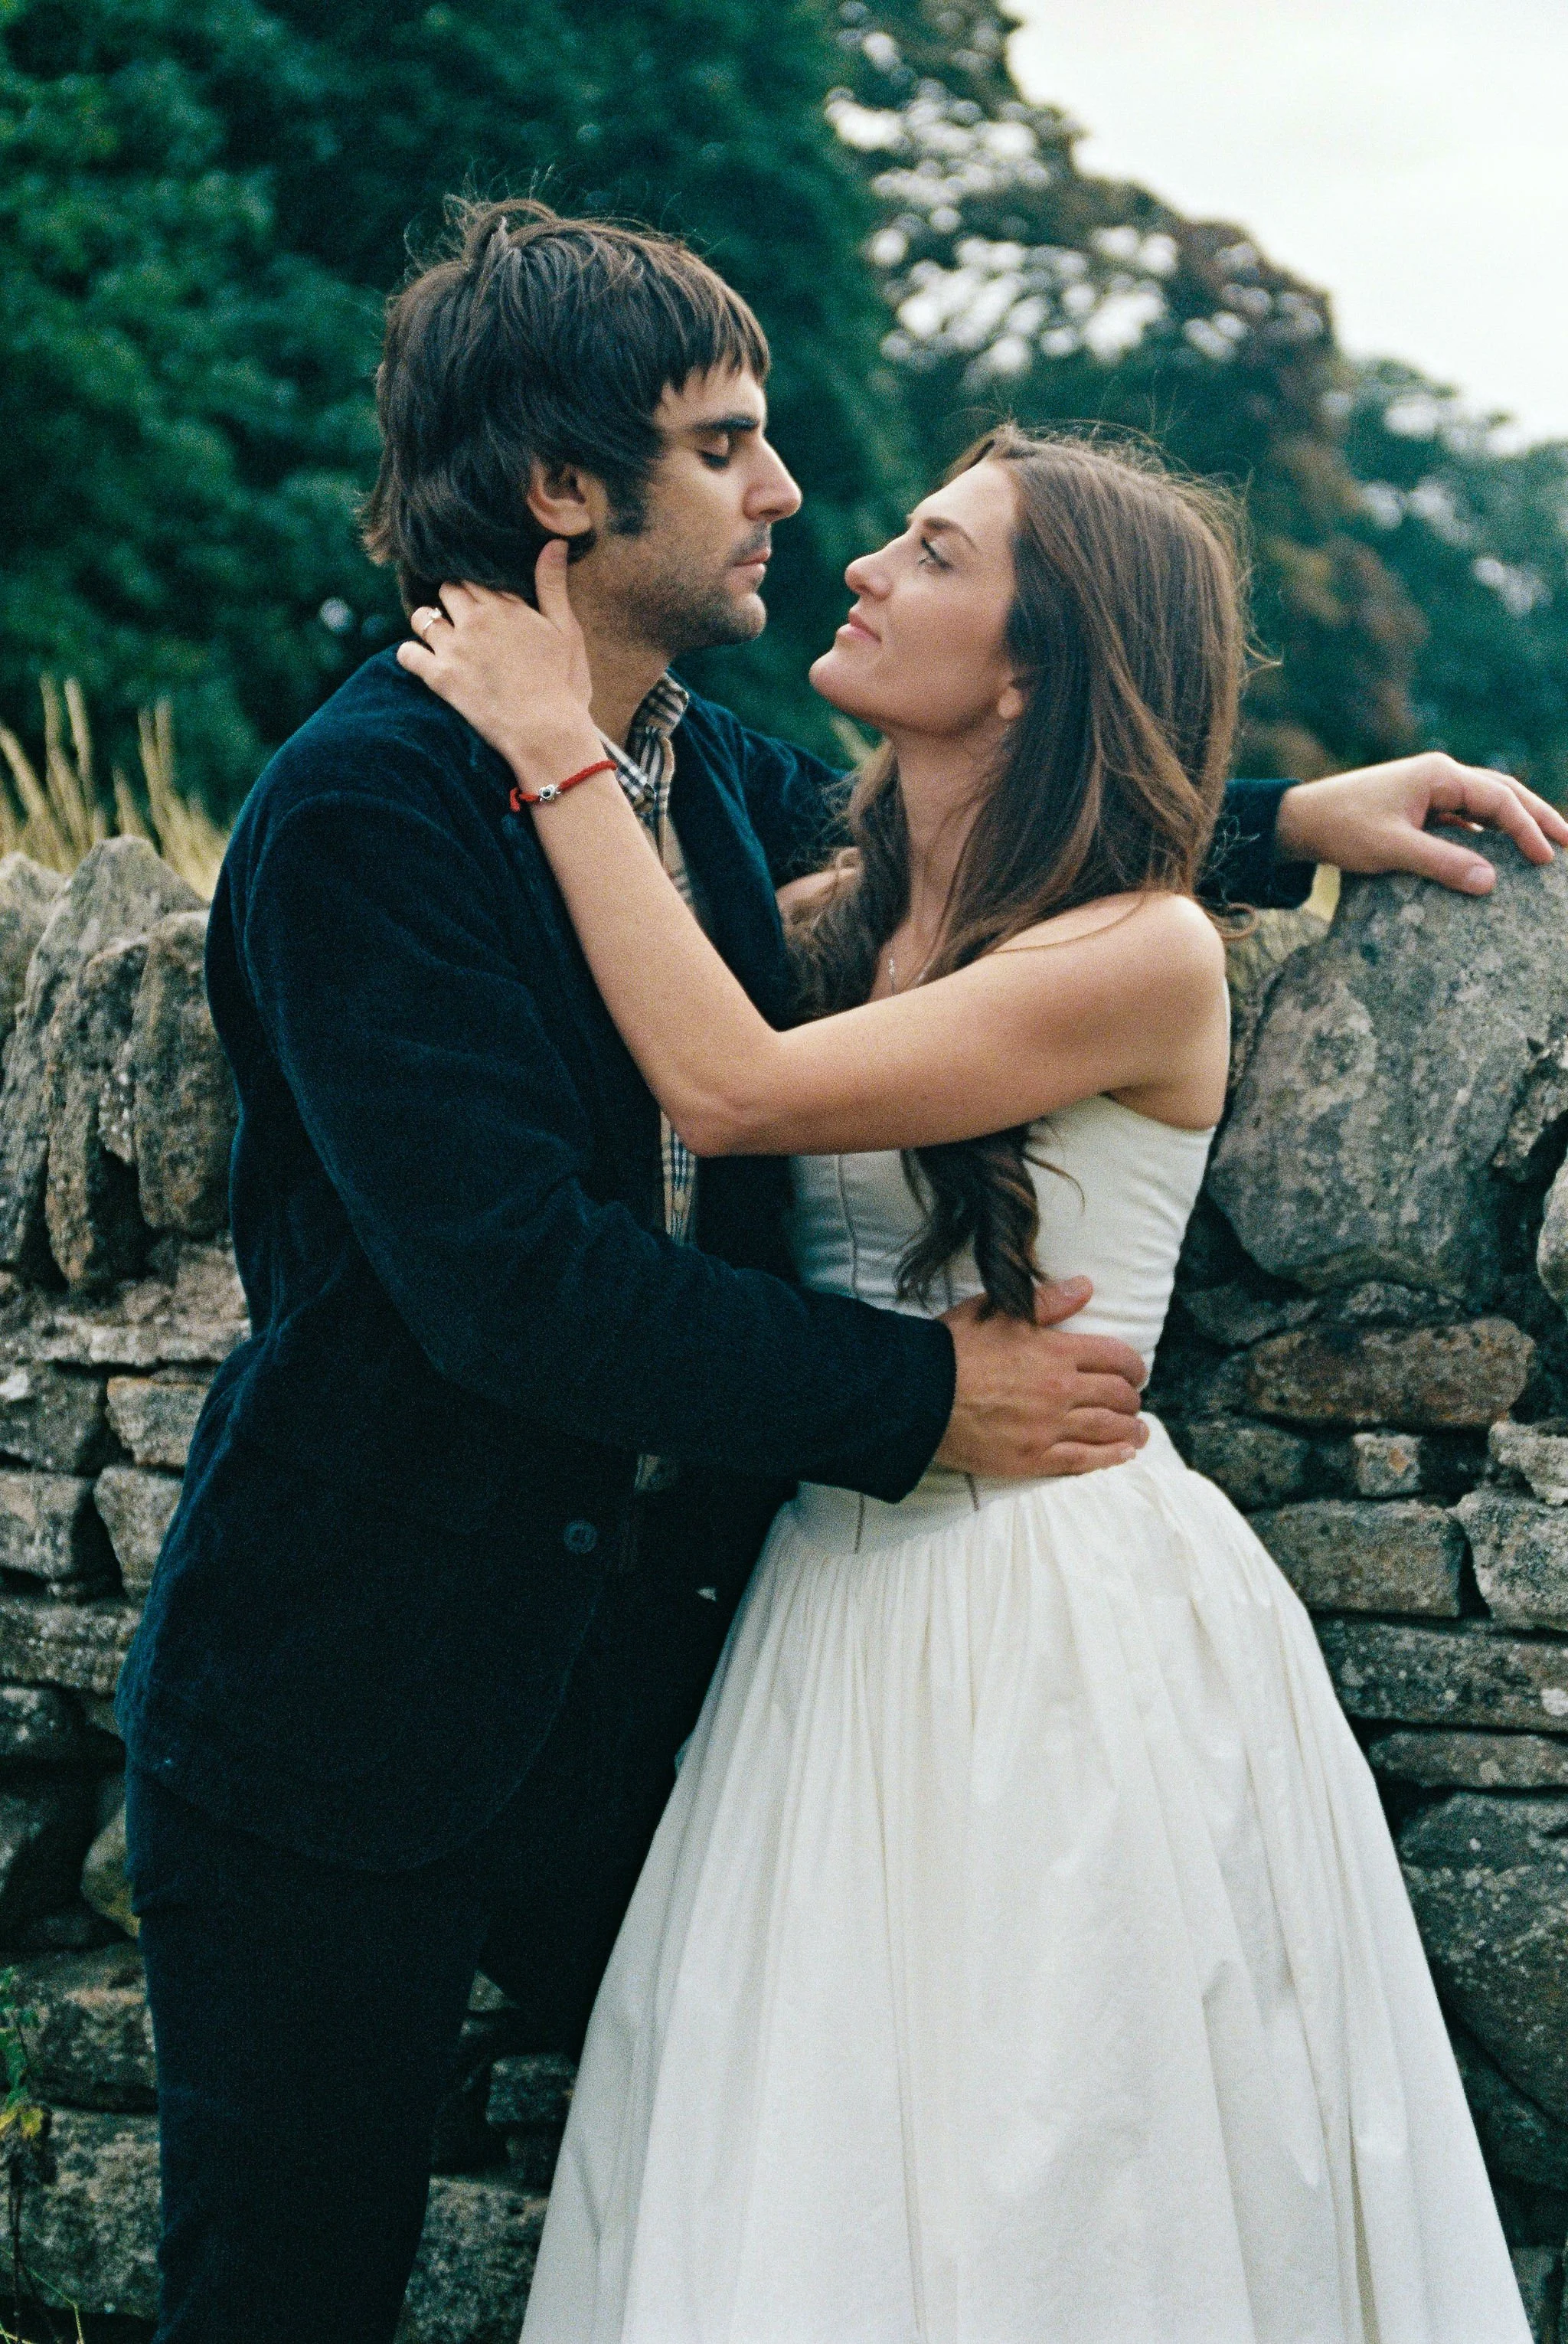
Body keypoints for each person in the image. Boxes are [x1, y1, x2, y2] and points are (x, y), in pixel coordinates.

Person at [116, 200, 1561, 2344]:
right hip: (352, 1706)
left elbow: (996, 853)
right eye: (728, 445)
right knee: (290, 2296)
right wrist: (922, 1404)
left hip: (654, 1698)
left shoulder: (710, 786)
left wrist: (1287, 816)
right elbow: (519, 1290)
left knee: (868, 2192)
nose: (790, 493)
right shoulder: (366, 815)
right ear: (560, 489)